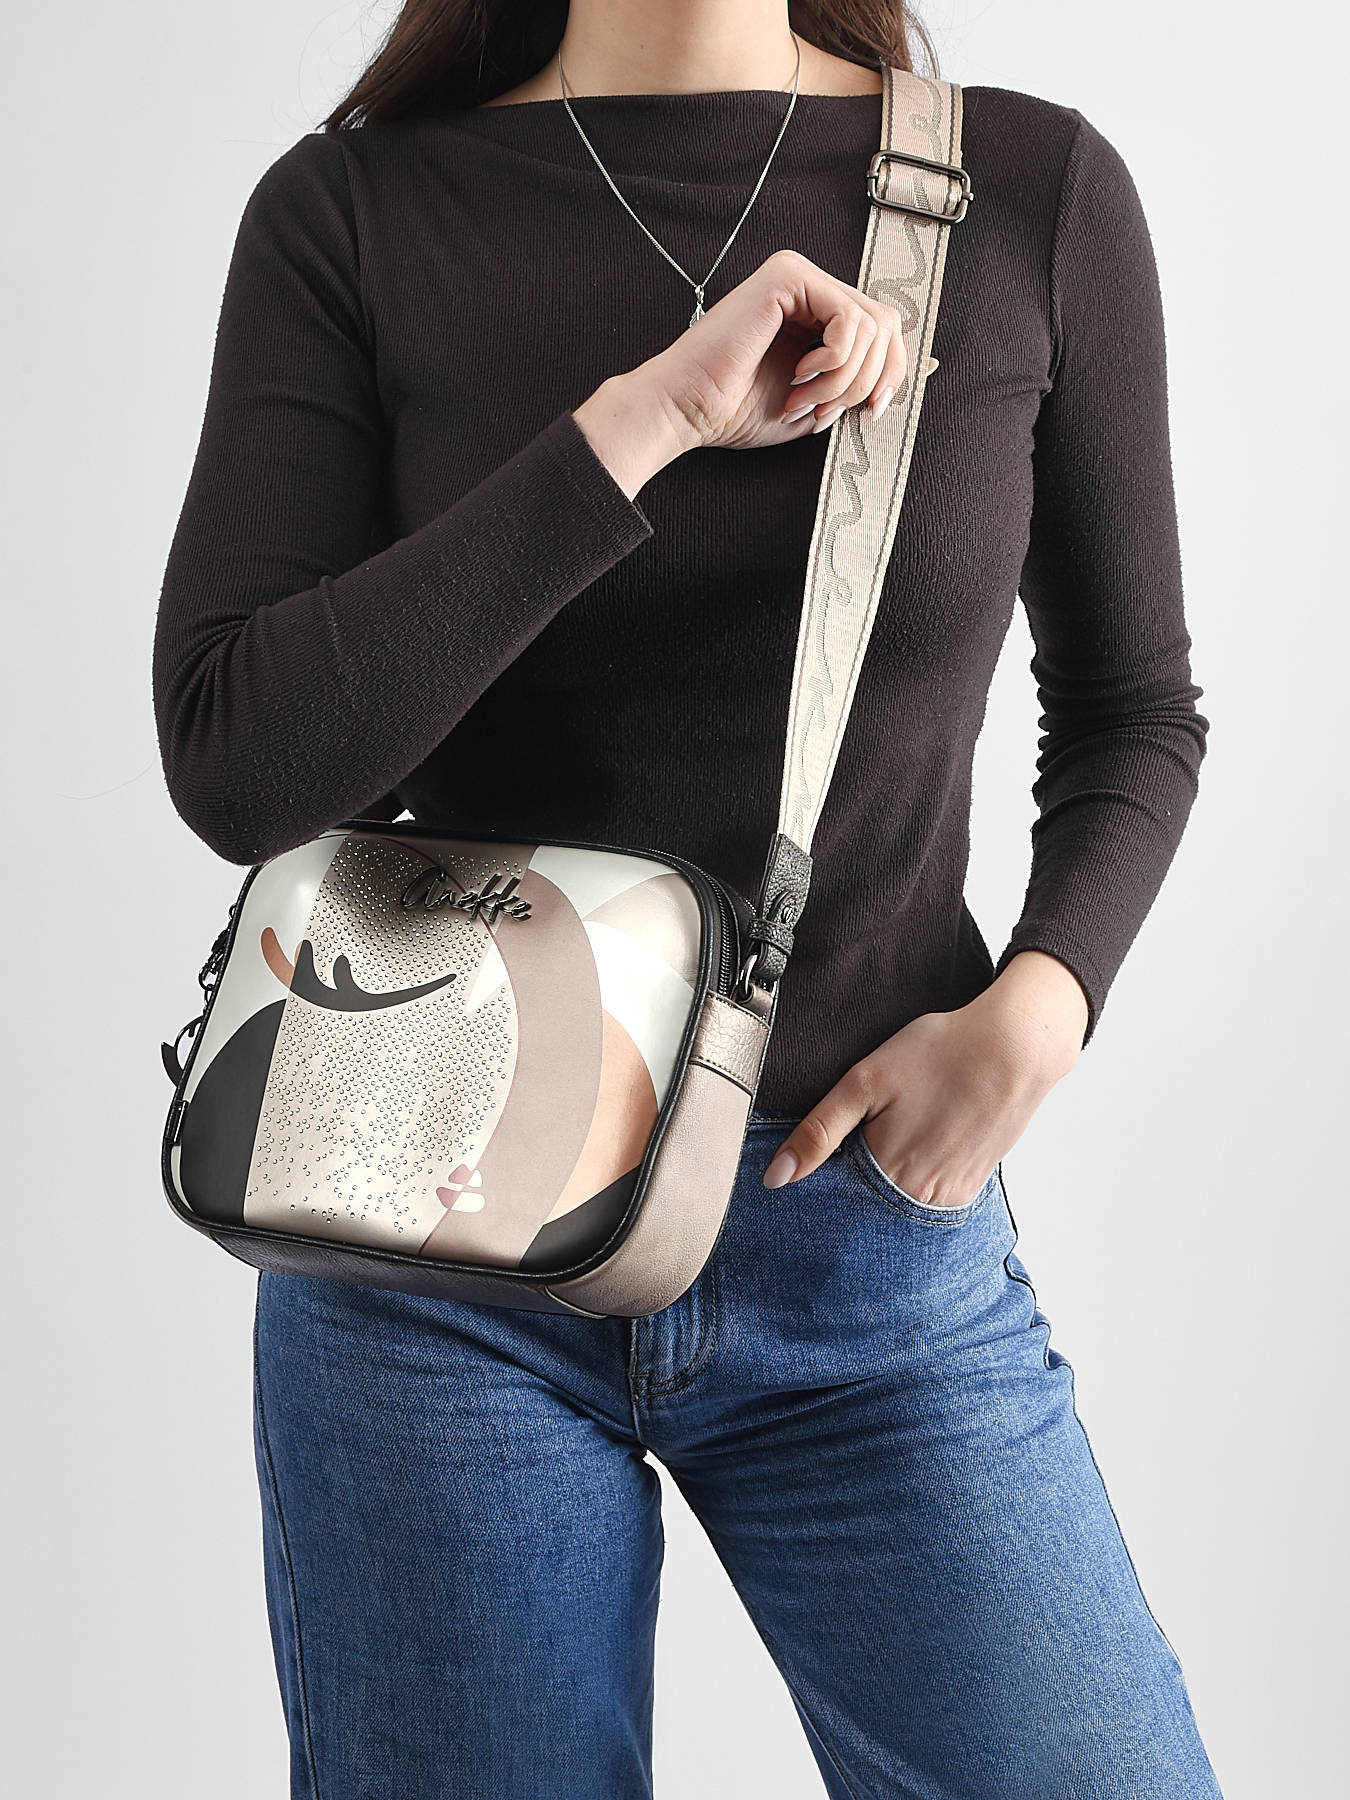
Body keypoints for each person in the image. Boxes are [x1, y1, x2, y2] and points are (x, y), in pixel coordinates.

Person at [151, 2, 1224, 1794]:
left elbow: (1133, 709)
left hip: (865, 1229)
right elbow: (242, 765)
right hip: (437, 1246)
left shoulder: (1017, 189)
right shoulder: (353, 215)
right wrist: (639, 425)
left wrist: (1039, 1007)